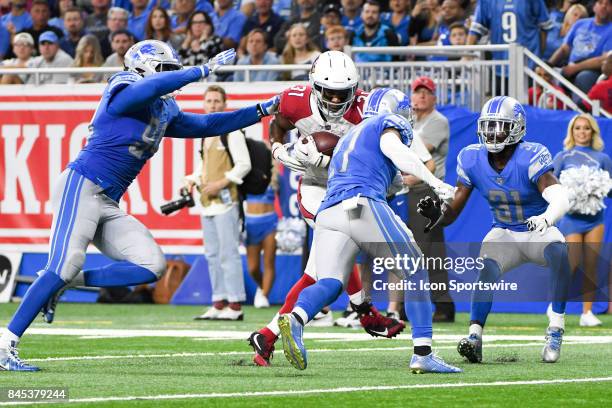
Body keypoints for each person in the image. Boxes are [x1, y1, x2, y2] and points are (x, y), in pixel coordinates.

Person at [0, 41, 280, 371]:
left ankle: (61, 284)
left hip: (106, 199)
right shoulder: (123, 85)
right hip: (82, 184)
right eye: (165, 70)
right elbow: (148, 87)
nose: (170, 77)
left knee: (151, 265)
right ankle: (6, 343)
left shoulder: (165, 110)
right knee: (65, 262)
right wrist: (201, 70)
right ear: (144, 67)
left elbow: (209, 124)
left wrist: (263, 108)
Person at [277, 87, 461, 373]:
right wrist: (435, 182)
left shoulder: (350, 135)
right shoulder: (387, 125)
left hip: (328, 212)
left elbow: (391, 181)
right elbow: (393, 149)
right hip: (361, 203)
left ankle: (297, 319)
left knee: (332, 282)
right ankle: (423, 353)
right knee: (415, 270)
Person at [248, 51, 405, 368]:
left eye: (341, 92)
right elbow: (278, 124)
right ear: (313, 85)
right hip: (315, 187)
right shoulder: (295, 99)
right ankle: (365, 313)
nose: (334, 99)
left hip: (349, 186)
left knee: (319, 271)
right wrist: (279, 149)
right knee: (339, 250)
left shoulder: (365, 110)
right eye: (327, 91)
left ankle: (267, 335)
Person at [417, 96, 571, 363]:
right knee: (486, 267)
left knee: (560, 254)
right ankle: (474, 336)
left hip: (536, 229)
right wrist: (438, 214)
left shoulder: (530, 155)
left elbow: (561, 197)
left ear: (517, 128)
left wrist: (546, 219)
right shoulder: (471, 157)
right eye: (488, 126)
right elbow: (453, 211)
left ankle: (555, 326)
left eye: (499, 126)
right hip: (504, 232)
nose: (492, 133)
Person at [189, 86, 252, 321]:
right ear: (204, 104)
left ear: (224, 104)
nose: (213, 105)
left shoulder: (232, 131)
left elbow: (243, 165)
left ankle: (235, 306)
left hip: (227, 202)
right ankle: (219, 301)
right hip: (206, 202)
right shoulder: (205, 133)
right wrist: (192, 180)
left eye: (217, 101)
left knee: (228, 253)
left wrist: (222, 183)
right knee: (212, 254)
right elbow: (202, 165)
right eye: (209, 101)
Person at [553, 114, 612, 326]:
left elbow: (611, 189)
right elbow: (551, 186)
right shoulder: (563, 156)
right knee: (571, 263)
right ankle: (555, 306)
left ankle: (587, 313)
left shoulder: (603, 158)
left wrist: (599, 188)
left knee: (591, 263)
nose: (582, 132)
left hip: (595, 218)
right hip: (571, 218)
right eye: (578, 128)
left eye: (586, 128)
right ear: (572, 131)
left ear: (593, 131)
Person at [405, 76, 455, 322]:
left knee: (426, 248)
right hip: (409, 190)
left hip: (427, 191)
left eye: (427, 92)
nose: (422, 96)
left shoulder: (438, 121)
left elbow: (419, 151)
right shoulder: (410, 120)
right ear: (411, 96)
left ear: (434, 98)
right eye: (418, 92)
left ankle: (437, 305)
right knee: (420, 248)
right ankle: (429, 303)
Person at [548, 0, 612, 99]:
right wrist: (548, 64)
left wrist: (575, 68)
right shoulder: (580, 24)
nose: (604, 6)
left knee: (583, 76)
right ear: (594, 7)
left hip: (593, 70)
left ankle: (582, 111)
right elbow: (564, 49)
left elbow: (604, 60)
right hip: (570, 66)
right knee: (547, 74)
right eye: (600, 2)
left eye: (608, 4)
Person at [245, 183, 278, 309]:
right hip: (251, 223)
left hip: (270, 221)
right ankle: (262, 286)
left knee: (269, 261)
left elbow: (285, 198)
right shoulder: (246, 173)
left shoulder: (275, 176)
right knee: (252, 268)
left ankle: (264, 295)